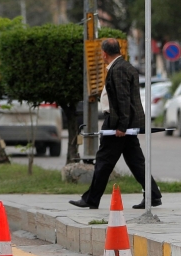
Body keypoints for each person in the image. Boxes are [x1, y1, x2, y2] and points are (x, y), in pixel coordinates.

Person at [69, 38, 162, 210]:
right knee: (136, 162)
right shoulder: (126, 66)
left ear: (104, 53)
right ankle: (153, 195)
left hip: (117, 123)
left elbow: (122, 100)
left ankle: (91, 199)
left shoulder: (118, 70)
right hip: (125, 123)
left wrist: (121, 127)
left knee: (104, 161)